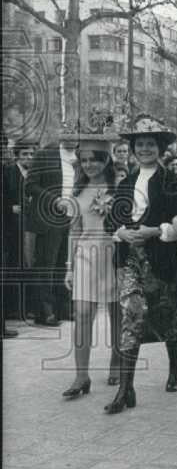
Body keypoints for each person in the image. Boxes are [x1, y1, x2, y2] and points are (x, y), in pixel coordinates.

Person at [104, 115, 177, 414]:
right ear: (132, 148)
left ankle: (175, 367)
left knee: (166, 314)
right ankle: (126, 389)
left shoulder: (173, 182)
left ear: (159, 148)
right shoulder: (126, 182)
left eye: (150, 144)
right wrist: (120, 232)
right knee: (131, 317)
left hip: (161, 260)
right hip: (131, 261)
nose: (145, 149)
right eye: (140, 144)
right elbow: (112, 221)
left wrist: (157, 231)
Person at [61, 131, 119, 399]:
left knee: (117, 313)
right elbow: (74, 231)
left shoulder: (120, 188)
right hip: (86, 255)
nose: (89, 165)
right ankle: (81, 375)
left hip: (114, 256)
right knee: (83, 313)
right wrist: (69, 266)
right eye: (84, 160)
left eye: (95, 159)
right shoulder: (78, 191)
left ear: (106, 159)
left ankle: (117, 361)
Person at [25, 133, 79, 326]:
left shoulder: (82, 157)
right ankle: (44, 311)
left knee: (65, 263)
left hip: (72, 217)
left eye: (76, 132)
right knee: (46, 263)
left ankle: (63, 308)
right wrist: (55, 200)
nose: (72, 137)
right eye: (68, 131)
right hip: (48, 216)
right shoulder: (45, 154)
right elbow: (30, 185)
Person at [3, 138, 35, 331]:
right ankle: (12, 309)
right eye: (25, 154)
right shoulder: (7, 172)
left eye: (31, 154)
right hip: (10, 227)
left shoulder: (34, 173)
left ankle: (25, 307)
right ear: (17, 156)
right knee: (13, 264)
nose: (29, 158)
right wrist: (9, 208)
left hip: (29, 224)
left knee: (28, 263)